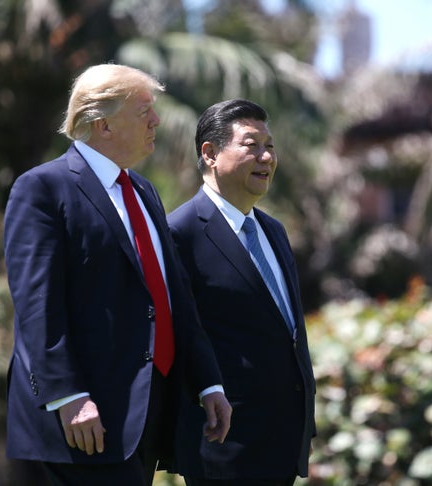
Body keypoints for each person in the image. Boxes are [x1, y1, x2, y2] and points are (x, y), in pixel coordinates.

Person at [3, 63, 231, 485]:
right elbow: (37, 303)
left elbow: (174, 296)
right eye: (144, 110)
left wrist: (208, 383)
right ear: (103, 124)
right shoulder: (42, 189)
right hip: (76, 424)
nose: (157, 120)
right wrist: (68, 395)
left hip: (141, 417)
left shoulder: (144, 192)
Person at [167, 99, 316, 485]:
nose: (267, 156)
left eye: (270, 146)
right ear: (211, 153)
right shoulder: (179, 233)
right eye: (252, 145)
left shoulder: (274, 231)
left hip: (284, 441)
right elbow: (180, 335)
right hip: (222, 445)